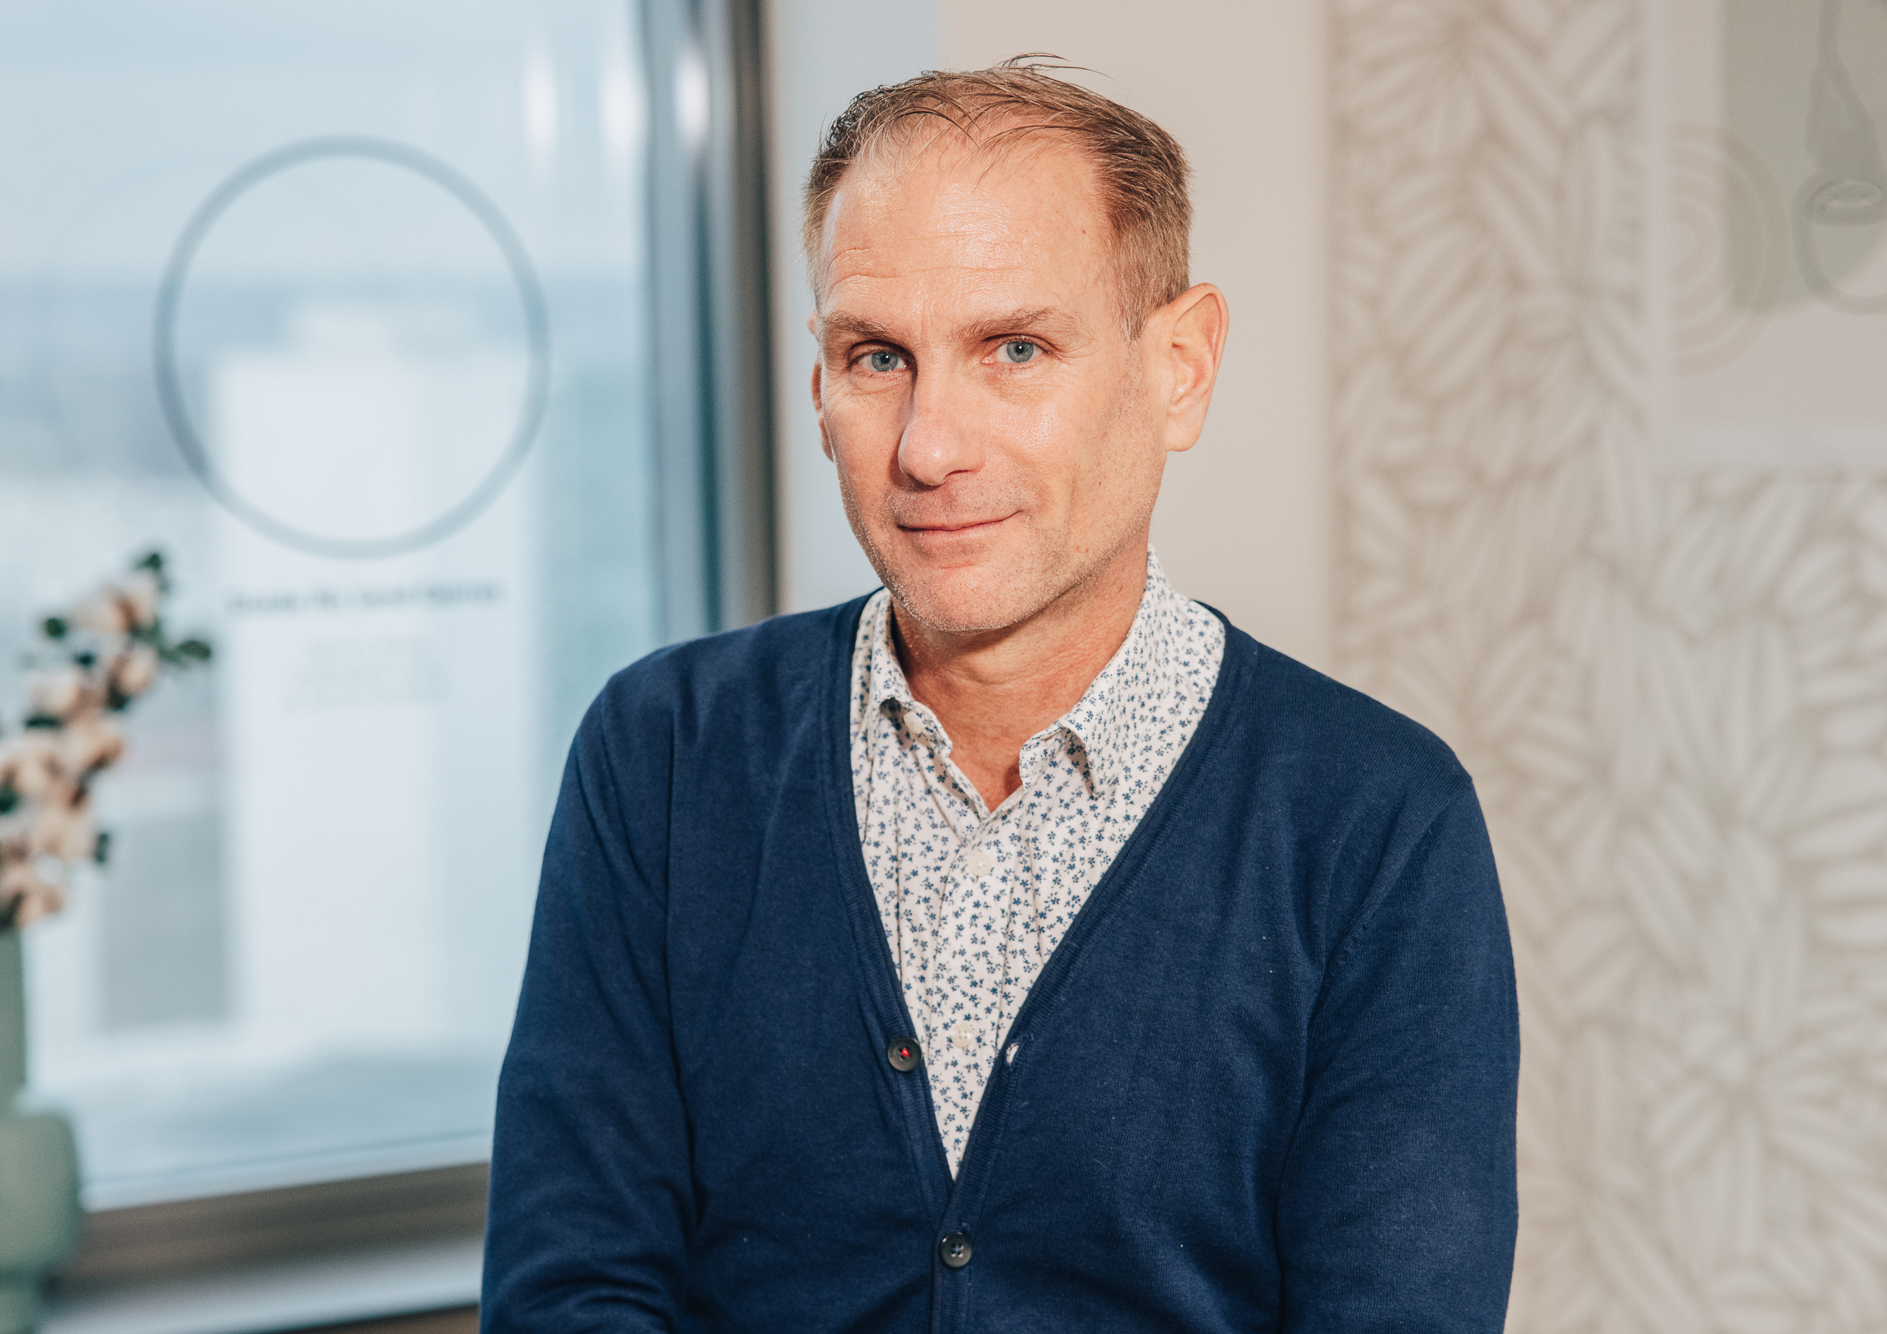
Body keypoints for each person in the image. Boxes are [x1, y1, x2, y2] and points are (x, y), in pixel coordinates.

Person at [482, 59, 1518, 1332]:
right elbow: (572, 1290)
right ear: (817, 385)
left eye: (1013, 347)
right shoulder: (665, 757)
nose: (928, 446)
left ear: (1179, 366)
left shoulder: (1373, 823)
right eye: (876, 357)